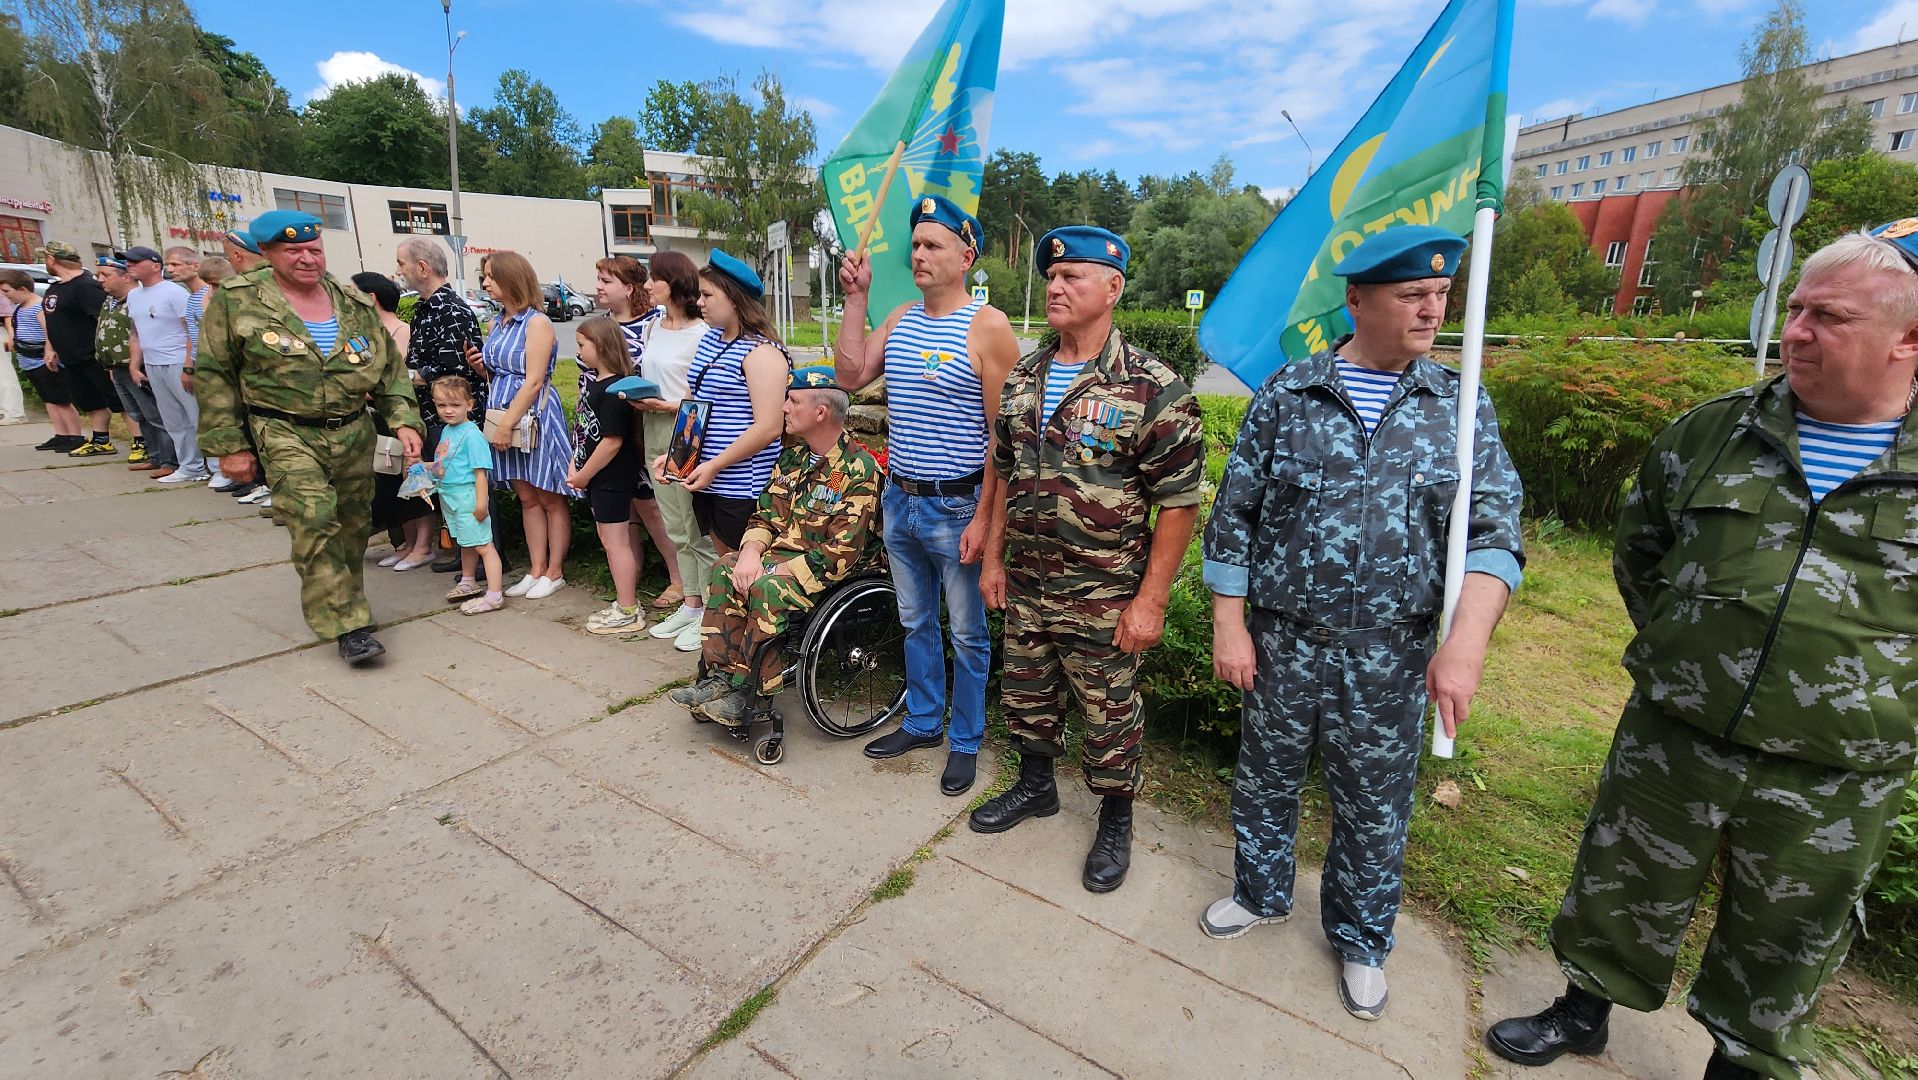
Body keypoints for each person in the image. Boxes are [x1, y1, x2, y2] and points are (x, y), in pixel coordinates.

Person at [1488, 225, 1918, 1080]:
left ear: (1908, 337)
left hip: (1835, 766)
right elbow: (1640, 546)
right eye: (1794, 307)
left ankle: (1743, 1062)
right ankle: (1583, 1011)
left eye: (1826, 316)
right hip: (1678, 728)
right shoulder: (1716, 433)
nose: (1795, 330)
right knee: (1622, 882)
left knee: (1787, 936)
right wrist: (1689, 651)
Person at [1201, 224, 1525, 1021]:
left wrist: (1465, 645)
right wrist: (1229, 626)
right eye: (1412, 294)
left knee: (1376, 808)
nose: (1432, 310)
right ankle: (1259, 892)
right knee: (1265, 782)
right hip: (1282, 642)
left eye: (1441, 294)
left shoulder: (1458, 402)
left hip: (1389, 656)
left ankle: (1359, 938)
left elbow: (1495, 531)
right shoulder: (1293, 392)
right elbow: (1235, 517)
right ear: (1358, 300)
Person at [968, 226, 1206, 896]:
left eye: (1073, 277)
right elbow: (1004, 471)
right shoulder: (1025, 375)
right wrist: (993, 561)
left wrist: (1151, 600)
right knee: (1027, 693)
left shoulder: (1152, 387)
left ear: (1112, 287)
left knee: (1109, 712)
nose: (1055, 286)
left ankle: (1115, 818)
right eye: (1052, 276)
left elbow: (1179, 503)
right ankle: (1037, 787)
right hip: (1031, 582)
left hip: (1104, 592)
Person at [834, 195, 1020, 796]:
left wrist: (988, 526)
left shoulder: (987, 327)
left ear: (966, 256)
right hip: (902, 501)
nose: (919, 253)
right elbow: (850, 374)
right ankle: (921, 721)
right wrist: (857, 299)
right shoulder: (901, 317)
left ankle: (964, 740)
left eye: (932, 244)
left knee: (967, 632)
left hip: (958, 505)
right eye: (915, 244)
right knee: (916, 622)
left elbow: (1005, 442)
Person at [194, 209, 423, 664]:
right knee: (314, 521)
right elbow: (215, 373)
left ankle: (347, 603)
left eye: (314, 249)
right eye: (293, 250)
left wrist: (402, 419)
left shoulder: (351, 300)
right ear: (267, 253)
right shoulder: (237, 300)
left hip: (353, 430)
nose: (306, 259)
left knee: (355, 527)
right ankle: (349, 626)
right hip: (284, 430)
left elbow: (390, 370)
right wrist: (228, 446)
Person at [669, 365, 883, 726]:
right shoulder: (791, 460)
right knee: (725, 568)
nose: (783, 407)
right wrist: (751, 553)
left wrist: (772, 569)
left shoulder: (858, 469)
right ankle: (719, 681)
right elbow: (765, 518)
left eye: (793, 401)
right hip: (779, 561)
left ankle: (750, 693)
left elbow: (843, 552)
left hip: (827, 572)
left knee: (767, 587)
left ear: (821, 412)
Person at [650, 251, 787, 555]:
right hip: (707, 478)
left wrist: (714, 465)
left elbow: (769, 428)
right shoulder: (711, 339)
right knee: (724, 565)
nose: (699, 302)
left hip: (742, 487)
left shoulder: (762, 353)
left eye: (707, 295)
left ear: (735, 299)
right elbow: (693, 401)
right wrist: (677, 456)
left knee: (746, 571)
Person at [465, 249, 571, 600]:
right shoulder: (498, 322)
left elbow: (534, 380)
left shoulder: (537, 323)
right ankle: (536, 568)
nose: (485, 283)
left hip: (532, 417)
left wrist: (505, 424)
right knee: (526, 495)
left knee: (549, 495)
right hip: (504, 415)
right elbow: (500, 372)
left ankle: (555, 571)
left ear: (512, 279)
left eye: (492, 276)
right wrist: (482, 367)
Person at [635, 251, 717, 652]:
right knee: (673, 522)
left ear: (675, 283)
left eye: (655, 278)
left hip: (685, 427)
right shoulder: (653, 327)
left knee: (692, 520)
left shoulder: (702, 333)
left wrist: (668, 406)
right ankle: (689, 602)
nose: (647, 285)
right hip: (652, 426)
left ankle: (706, 610)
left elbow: (702, 395)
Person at [593, 255, 684, 611]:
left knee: (652, 506)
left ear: (629, 288)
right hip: (609, 424)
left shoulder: (654, 323)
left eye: (606, 280)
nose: (598, 286)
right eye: (598, 279)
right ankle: (634, 569)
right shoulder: (601, 324)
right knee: (626, 502)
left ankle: (678, 577)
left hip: (642, 425)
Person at [393, 236, 485, 572]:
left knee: (462, 485)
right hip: (432, 414)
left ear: (422, 267)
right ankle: (464, 554)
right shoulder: (426, 307)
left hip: (449, 417)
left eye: (401, 263)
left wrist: (405, 377)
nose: (397, 270)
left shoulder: (450, 308)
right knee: (448, 487)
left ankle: (480, 558)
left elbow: (452, 370)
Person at [566, 316, 649, 634]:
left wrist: (584, 474)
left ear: (600, 346)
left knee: (616, 544)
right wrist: (577, 466)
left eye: (582, 345)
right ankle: (625, 602)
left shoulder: (615, 391)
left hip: (610, 478)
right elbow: (588, 432)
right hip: (597, 477)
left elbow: (612, 442)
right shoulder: (598, 384)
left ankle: (629, 609)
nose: (579, 351)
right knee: (609, 540)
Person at [353, 270, 437, 570]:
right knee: (391, 484)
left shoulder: (402, 332)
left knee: (414, 481)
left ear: (370, 297)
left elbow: (400, 380)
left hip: (403, 418)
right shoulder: (362, 334)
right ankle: (408, 543)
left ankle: (424, 545)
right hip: (376, 421)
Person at [125, 245, 209, 483]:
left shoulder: (174, 292)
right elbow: (135, 333)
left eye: (134, 262)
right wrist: (134, 365)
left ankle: (213, 466)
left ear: (154, 266)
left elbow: (189, 330)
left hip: (176, 361)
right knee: (173, 419)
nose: (129, 266)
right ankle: (190, 466)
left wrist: (187, 365)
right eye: (127, 262)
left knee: (195, 416)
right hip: (153, 363)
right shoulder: (134, 295)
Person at [426, 376, 505, 615]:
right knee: (466, 542)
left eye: (455, 405)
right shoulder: (448, 431)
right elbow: (446, 463)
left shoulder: (472, 435)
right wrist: (424, 467)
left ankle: (494, 595)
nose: (448, 410)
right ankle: (468, 580)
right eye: (441, 405)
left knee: (484, 545)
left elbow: (480, 474)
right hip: (450, 497)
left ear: (469, 404)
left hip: (467, 498)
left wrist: (481, 505)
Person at [41, 241, 121, 457]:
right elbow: (52, 322)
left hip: (93, 356)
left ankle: (141, 441)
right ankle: (101, 441)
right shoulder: (55, 287)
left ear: (52, 259)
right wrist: (50, 348)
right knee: (90, 401)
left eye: (45, 258)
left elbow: (102, 320)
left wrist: (109, 354)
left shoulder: (85, 285)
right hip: (71, 357)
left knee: (118, 401)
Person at [94, 255, 171, 474]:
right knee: (139, 415)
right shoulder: (110, 300)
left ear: (126, 277)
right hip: (117, 368)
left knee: (154, 414)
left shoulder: (137, 299)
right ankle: (155, 456)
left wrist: (134, 364)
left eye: (106, 275)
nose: (100, 279)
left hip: (138, 366)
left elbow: (139, 334)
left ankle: (169, 460)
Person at [0, 269, 83, 451]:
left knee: (60, 400)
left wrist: (49, 351)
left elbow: (49, 331)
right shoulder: (19, 309)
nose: (6, 296)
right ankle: (62, 433)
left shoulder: (39, 307)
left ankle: (75, 435)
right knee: (49, 399)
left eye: (7, 292)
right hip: (28, 360)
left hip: (42, 359)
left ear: (22, 289)